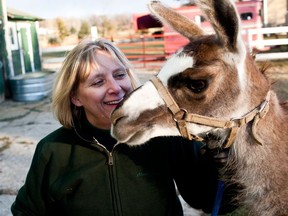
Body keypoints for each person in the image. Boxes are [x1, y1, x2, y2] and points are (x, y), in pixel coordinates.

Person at [11, 38, 236, 216]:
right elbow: (27, 211)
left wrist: (224, 167)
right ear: (75, 97)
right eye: (98, 82)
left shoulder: (163, 136)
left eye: (119, 75)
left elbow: (207, 200)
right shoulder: (52, 150)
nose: (116, 88)